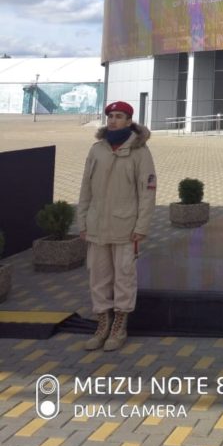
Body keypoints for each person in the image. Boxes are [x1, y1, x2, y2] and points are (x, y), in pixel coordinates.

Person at [77, 101, 156, 351]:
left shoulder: (140, 152)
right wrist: (82, 221)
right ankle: (102, 324)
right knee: (98, 277)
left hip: (126, 227)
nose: (113, 120)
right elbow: (85, 188)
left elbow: (147, 192)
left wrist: (142, 226)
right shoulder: (97, 149)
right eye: (110, 116)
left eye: (119, 116)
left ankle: (119, 326)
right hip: (97, 226)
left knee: (124, 277)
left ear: (129, 121)